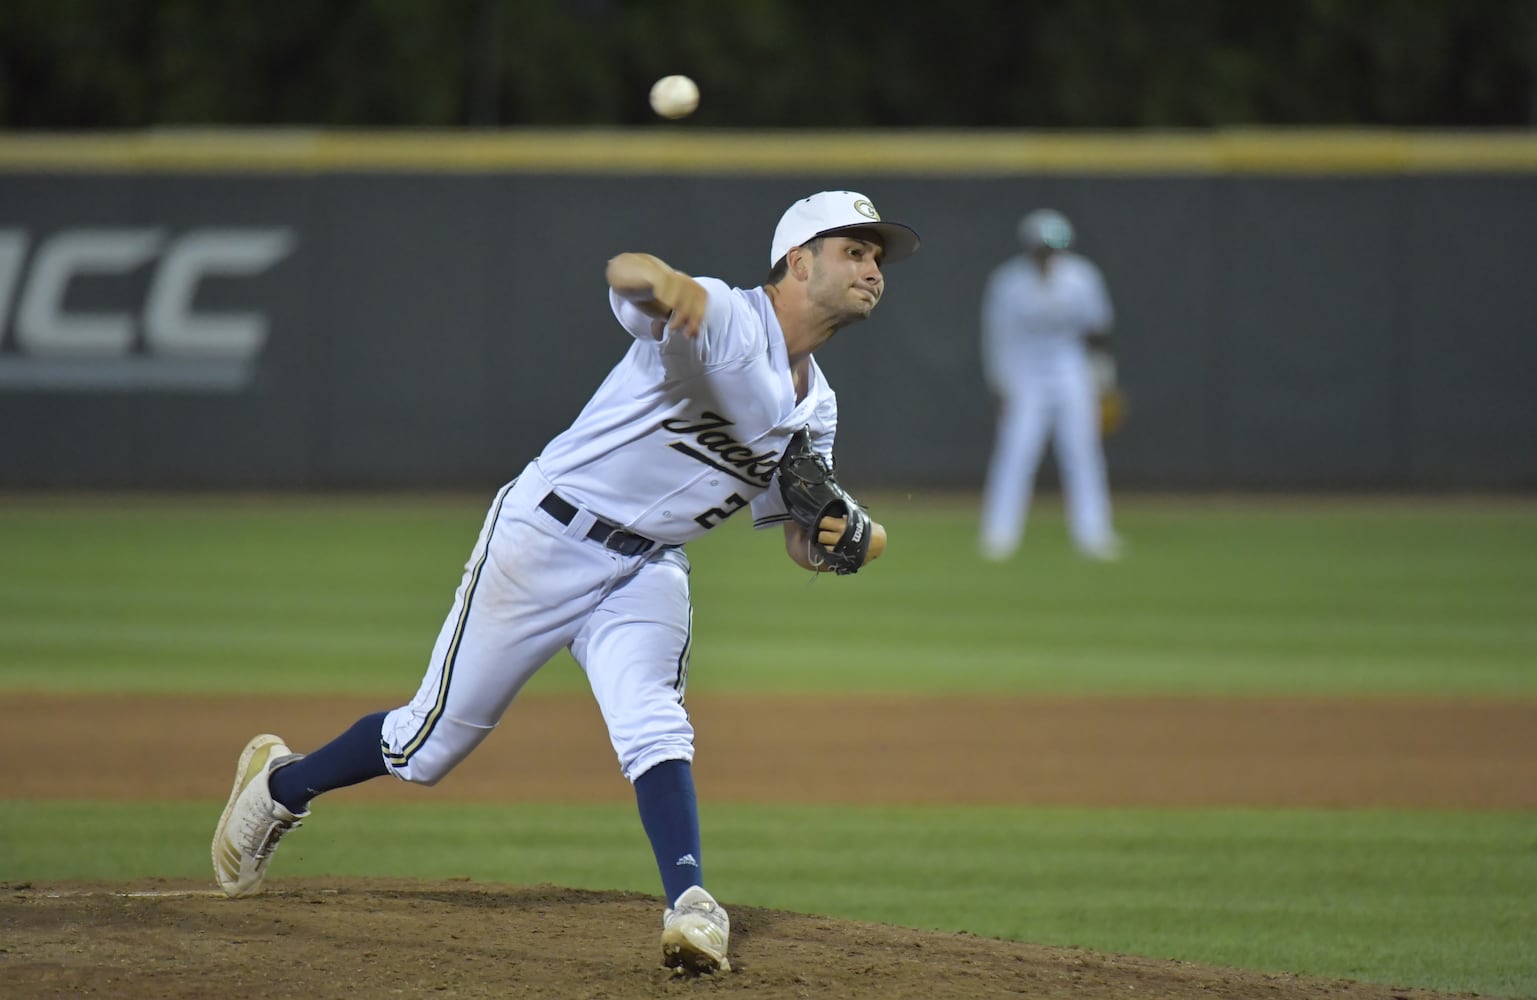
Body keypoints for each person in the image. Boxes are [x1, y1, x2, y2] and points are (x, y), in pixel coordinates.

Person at [211, 190, 920, 975]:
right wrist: (663, 283)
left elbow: (796, 535)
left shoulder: (814, 405)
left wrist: (840, 539)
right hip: (546, 536)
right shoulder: (721, 316)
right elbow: (626, 277)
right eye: (854, 250)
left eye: (877, 256)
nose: (872, 268)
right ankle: (282, 785)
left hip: (646, 566)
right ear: (797, 261)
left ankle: (690, 904)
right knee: (427, 745)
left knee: (653, 721)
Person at [978, 208, 1122, 562]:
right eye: (1043, 246)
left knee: (1082, 452)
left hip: (1071, 371)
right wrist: (1000, 383)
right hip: (1025, 374)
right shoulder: (1009, 282)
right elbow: (998, 336)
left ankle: (1094, 534)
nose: (1049, 253)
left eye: (1055, 246)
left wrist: (1104, 377)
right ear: (1029, 246)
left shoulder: (1082, 277)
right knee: (1016, 452)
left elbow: (1098, 330)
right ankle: (999, 535)